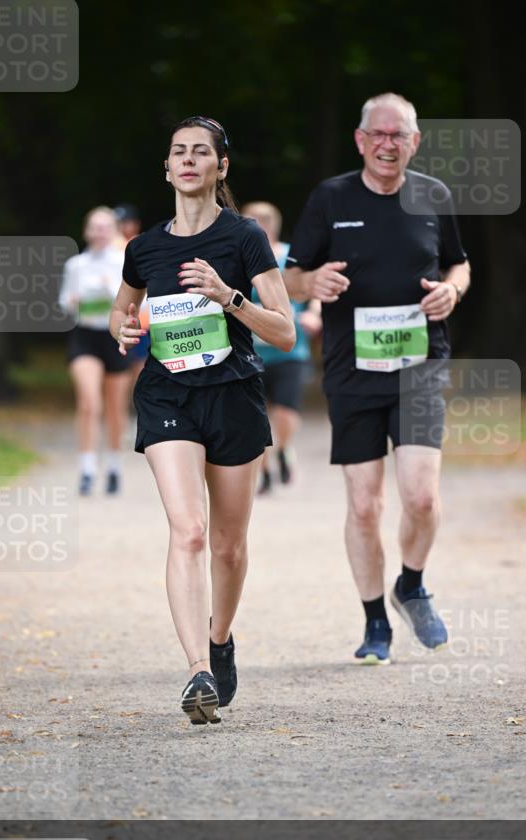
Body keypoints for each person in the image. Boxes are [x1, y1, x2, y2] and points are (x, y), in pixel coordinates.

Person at [109, 116, 294, 724]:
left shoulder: (245, 239)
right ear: (167, 168)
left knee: (229, 545)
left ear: (221, 167)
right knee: (187, 530)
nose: (188, 160)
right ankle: (197, 671)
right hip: (167, 395)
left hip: (234, 394)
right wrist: (123, 329)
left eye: (200, 153)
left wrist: (226, 296)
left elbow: (285, 332)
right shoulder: (144, 248)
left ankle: (220, 636)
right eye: (177, 152)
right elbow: (122, 312)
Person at [284, 92, 471, 665]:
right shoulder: (331, 197)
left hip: (419, 365)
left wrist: (452, 290)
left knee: (420, 496)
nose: (389, 144)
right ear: (361, 140)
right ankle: (375, 625)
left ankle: (411, 583)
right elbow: (288, 276)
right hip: (352, 368)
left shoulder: (433, 196)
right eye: (379, 135)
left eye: (400, 135)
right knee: (365, 506)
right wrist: (311, 284)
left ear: (414, 142)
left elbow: (458, 262)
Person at [241, 201, 322, 494]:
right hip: (251, 351)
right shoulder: (239, 258)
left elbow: (315, 288)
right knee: (256, 416)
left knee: (286, 413)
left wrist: (314, 312)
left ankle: (283, 449)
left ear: (270, 227)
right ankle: (263, 473)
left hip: (291, 350)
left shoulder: (290, 257)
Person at [59, 206, 131, 496]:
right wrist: (74, 300)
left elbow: (139, 299)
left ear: (114, 230)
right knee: (89, 402)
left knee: (115, 408)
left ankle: (114, 463)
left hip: (115, 336)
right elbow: (64, 301)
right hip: (85, 336)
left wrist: (109, 290)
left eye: (105, 227)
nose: (99, 232)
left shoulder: (124, 261)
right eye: (94, 227)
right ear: (87, 231)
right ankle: (87, 467)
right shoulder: (76, 265)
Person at [114, 203, 150, 385]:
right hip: (121, 316)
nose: (120, 227)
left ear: (135, 224)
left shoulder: (139, 245)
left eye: (124, 223)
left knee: (139, 363)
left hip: (143, 316)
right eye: (117, 223)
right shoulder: (112, 248)